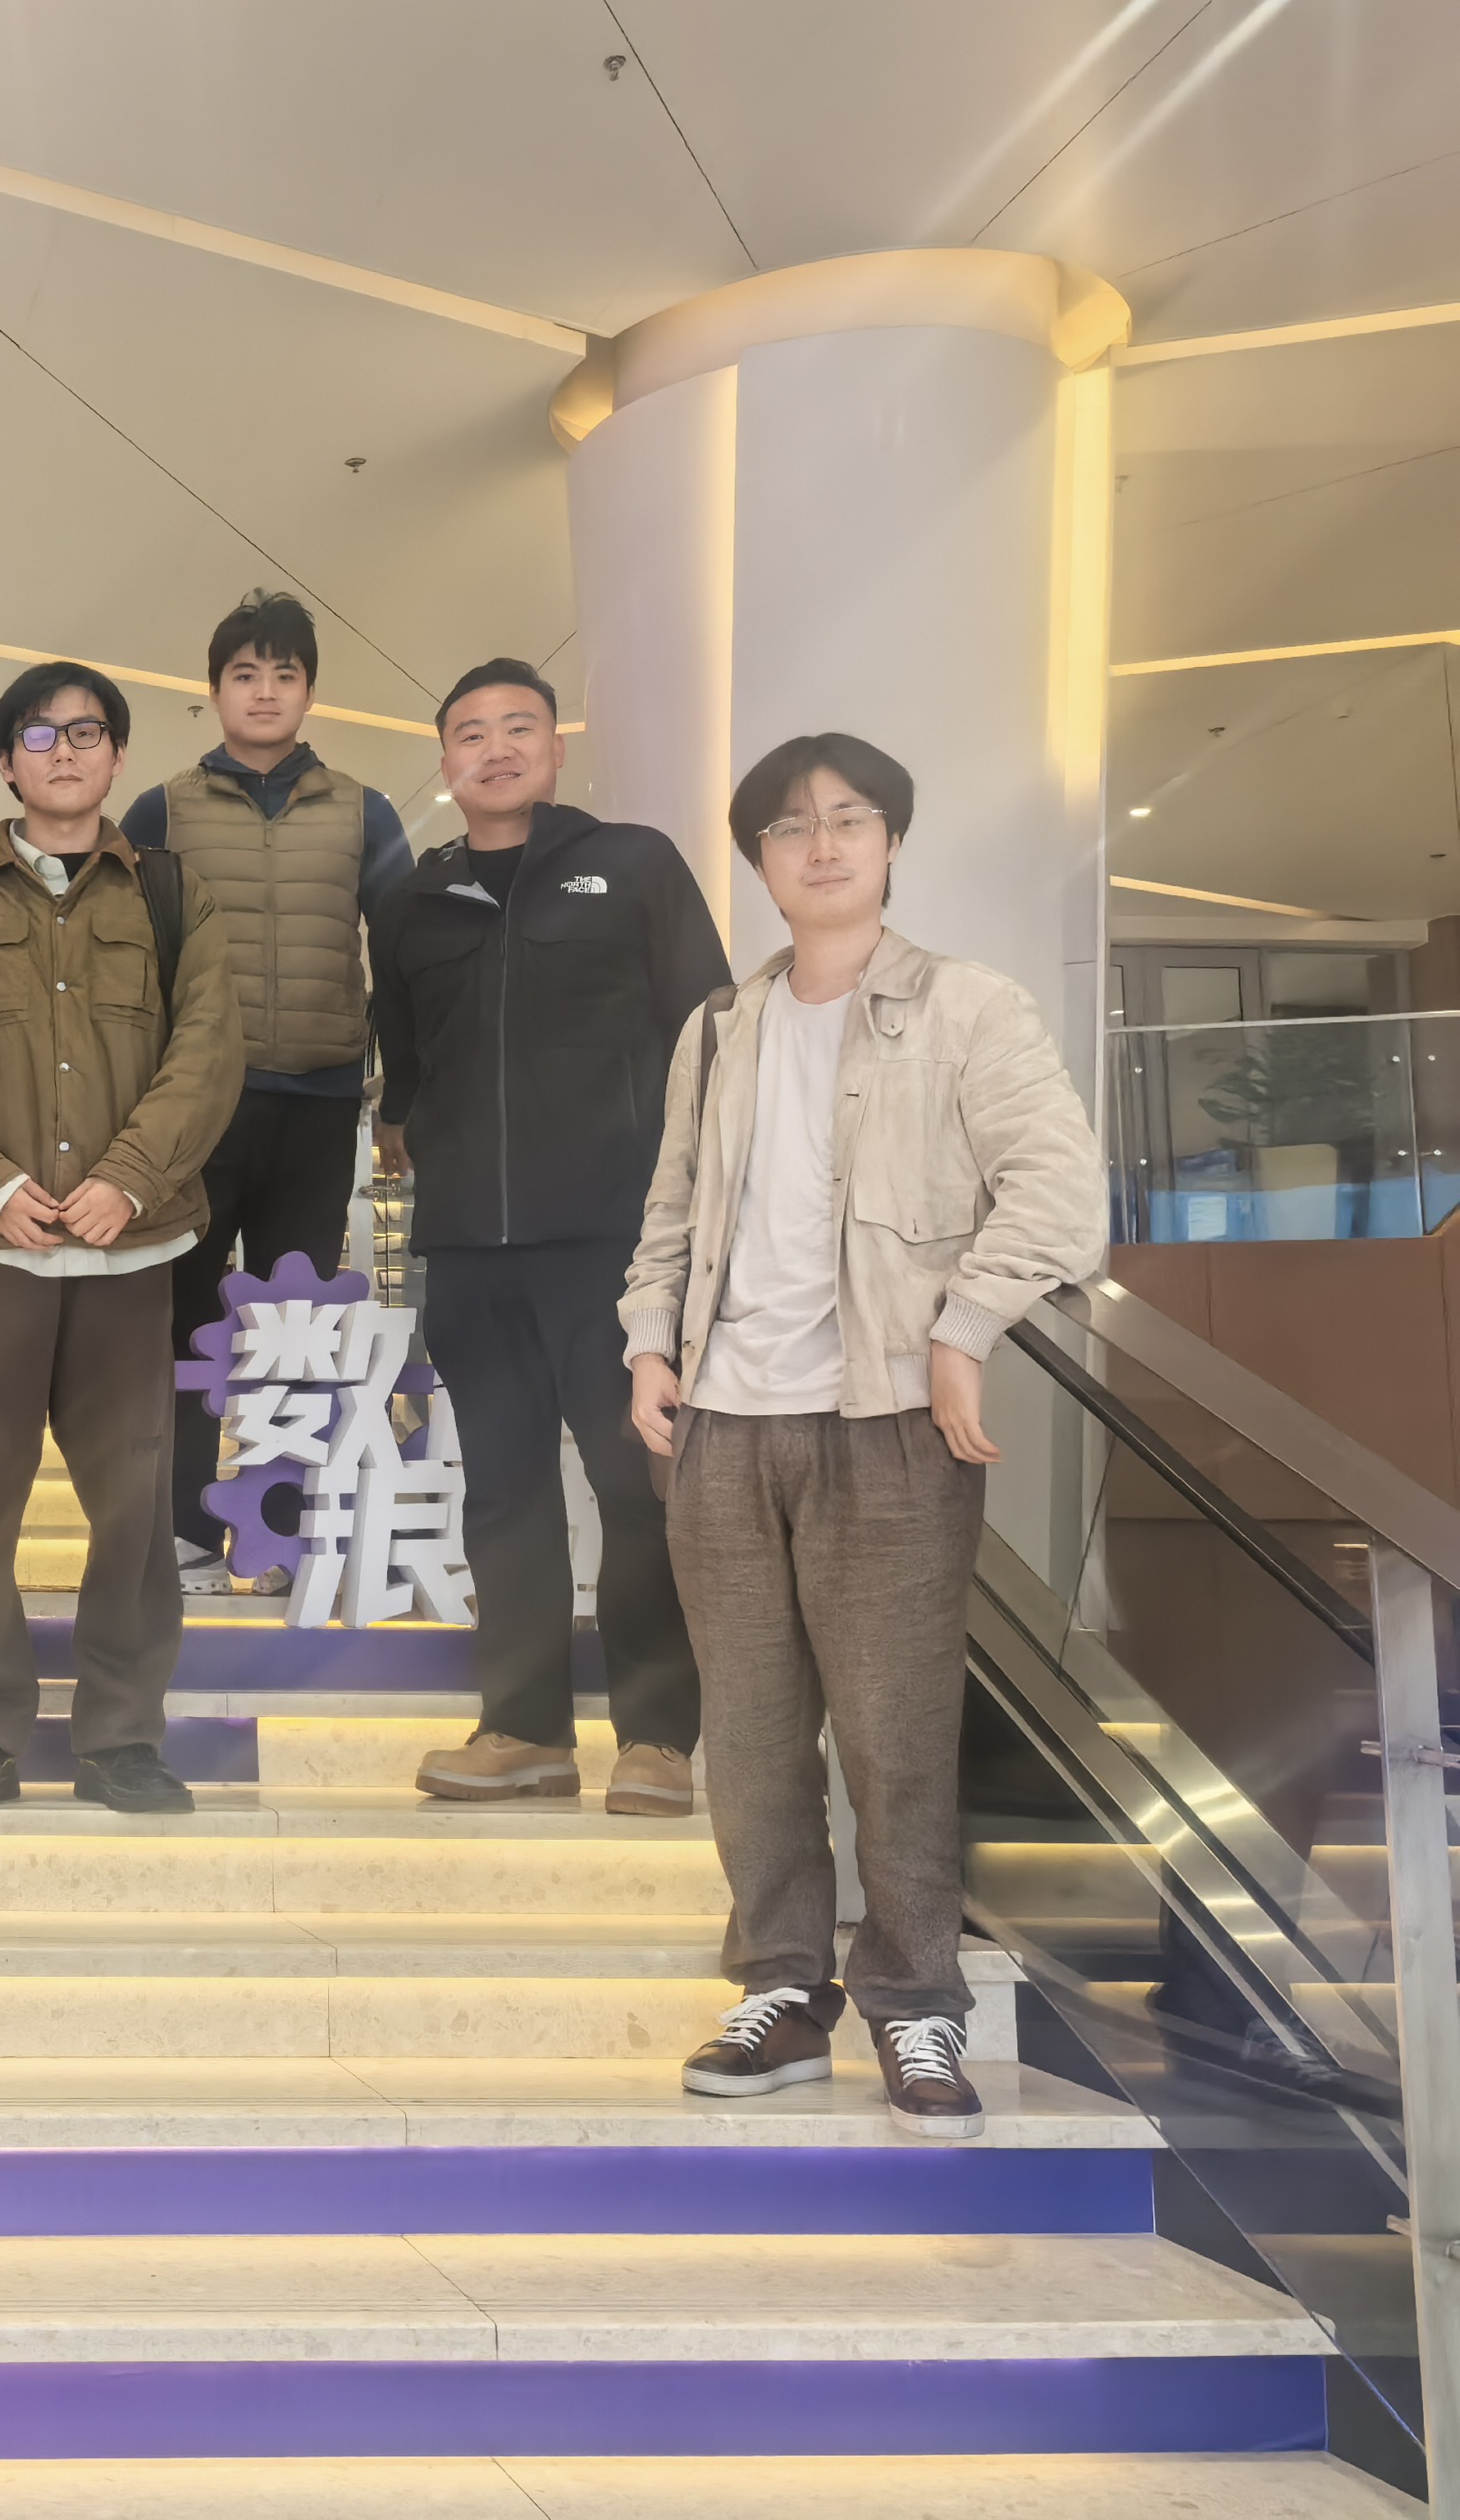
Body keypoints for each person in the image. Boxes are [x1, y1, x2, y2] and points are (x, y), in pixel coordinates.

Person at [626, 733, 1101, 2139]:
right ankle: (780, 1986)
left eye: (848, 819)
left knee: (896, 1733)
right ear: (759, 861)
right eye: (790, 827)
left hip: (887, 1421)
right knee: (750, 1734)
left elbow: (1060, 1195)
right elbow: (671, 1209)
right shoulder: (719, 1026)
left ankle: (915, 2000)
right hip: (723, 1423)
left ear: (891, 841)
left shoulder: (970, 1007)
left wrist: (964, 1328)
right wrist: (647, 1340)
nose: (821, 844)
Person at [0, 662, 244, 1816]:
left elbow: (207, 1051)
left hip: (131, 1256)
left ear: (118, 757)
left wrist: (129, 1179)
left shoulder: (174, 898)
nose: (65, 751)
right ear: (6, 762)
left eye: (88, 733)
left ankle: (122, 1738)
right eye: (39, 735)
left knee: (134, 1510)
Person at [370, 660, 725, 1819]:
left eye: (519, 726)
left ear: (556, 748)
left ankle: (658, 1738)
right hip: (471, 1253)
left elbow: (712, 1038)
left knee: (636, 1487)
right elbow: (406, 1074)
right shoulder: (413, 903)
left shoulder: (632, 866)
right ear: (446, 763)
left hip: (617, 1248)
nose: (497, 748)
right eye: (471, 733)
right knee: (504, 1493)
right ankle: (521, 1730)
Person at [121, 591, 413, 1594]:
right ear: (214, 691)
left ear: (309, 691)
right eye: (244, 674)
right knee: (185, 1324)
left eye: (283, 674)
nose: (263, 691)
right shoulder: (161, 810)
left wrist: (398, 1097)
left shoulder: (364, 812)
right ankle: (186, 1536)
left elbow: (401, 957)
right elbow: (125, 962)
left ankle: (283, 1537)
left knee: (298, 1323)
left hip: (319, 1105)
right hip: (196, 1111)